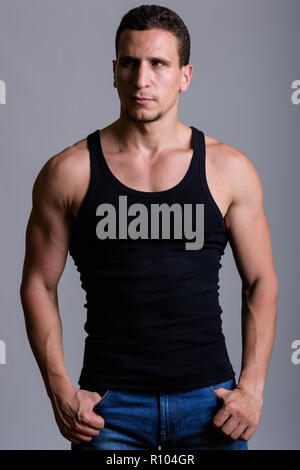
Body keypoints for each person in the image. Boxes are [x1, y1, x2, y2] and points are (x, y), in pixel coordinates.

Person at [20, 4, 278, 451]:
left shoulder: (228, 169)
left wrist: (252, 388)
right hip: (108, 410)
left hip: (212, 406)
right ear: (114, 70)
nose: (142, 80)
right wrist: (59, 389)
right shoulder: (69, 172)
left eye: (158, 64)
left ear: (185, 75)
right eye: (130, 63)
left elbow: (260, 281)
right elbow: (38, 284)